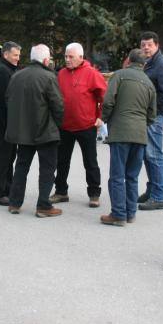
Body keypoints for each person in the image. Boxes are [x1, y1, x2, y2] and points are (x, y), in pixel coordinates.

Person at [6, 45, 65, 217]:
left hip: (23, 131)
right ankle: (43, 206)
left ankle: (15, 203)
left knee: (21, 166)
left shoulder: (17, 75)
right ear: (46, 60)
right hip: (45, 131)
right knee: (47, 169)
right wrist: (58, 124)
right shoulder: (49, 77)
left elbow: (8, 99)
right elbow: (58, 105)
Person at [99, 49, 156, 226]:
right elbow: (152, 114)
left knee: (117, 175)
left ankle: (118, 214)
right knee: (132, 176)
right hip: (139, 135)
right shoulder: (149, 82)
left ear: (128, 60)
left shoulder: (119, 75)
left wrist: (104, 119)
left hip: (120, 132)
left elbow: (108, 101)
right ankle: (130, 213)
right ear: (144, 64)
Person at [50, 43, 107, 208]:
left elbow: (105, 97)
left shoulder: (92, 74)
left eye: (71, 57)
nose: (67, 60)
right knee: (61, 161)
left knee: (90, 162)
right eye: (66, 56)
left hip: (86, 125)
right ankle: (61, 191)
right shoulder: (61, 74)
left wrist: (101, 117)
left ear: (81, 58)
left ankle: (94, 193)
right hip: (65, 126)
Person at [137, 31, 163, 211]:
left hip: (155, 116)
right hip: (147, 116)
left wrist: (152, 110)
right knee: (147, 154)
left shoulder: (162, 64)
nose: (146, 47)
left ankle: (159, 196)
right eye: (143, 44)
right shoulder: (147, 64)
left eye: (149, 44)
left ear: (157, 46)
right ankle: (152, 190)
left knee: (154, 154)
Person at [0, 42, 21, 206]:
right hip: (4, 123)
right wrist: (7, 124)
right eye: (15, 55)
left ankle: (6, 189)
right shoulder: (1, 71)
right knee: (2, 157)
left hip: (9, 123)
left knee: (9, 157)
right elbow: (2, 102)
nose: (18, 58)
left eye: (19, 55)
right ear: (6, 54)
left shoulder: (9, 69)